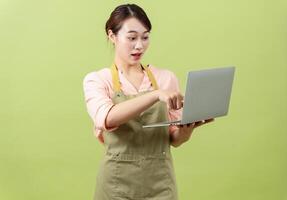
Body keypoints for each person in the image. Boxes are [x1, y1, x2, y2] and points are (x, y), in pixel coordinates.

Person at [82, 3, 214, 200]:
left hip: (160, 184)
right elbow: (106, 118)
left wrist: (186, 130)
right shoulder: (98, 80)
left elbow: (174, 140)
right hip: (116, 185)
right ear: (112, 36)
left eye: (145, 37)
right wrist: (154, 95)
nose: (139, 45)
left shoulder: (165, 78)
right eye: (132, 38)